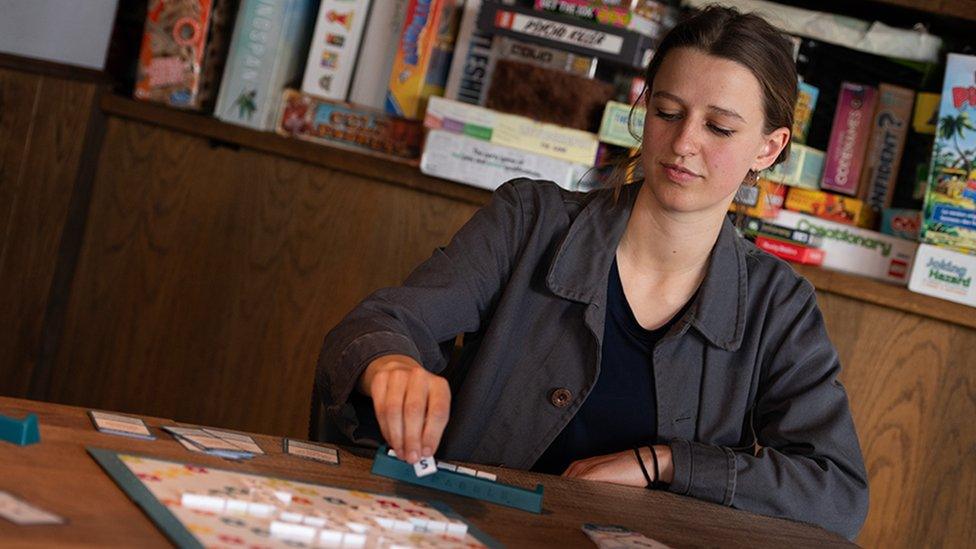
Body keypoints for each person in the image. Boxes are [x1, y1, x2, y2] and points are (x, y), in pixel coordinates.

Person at [316, 5, 869, 540]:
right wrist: (389, 362)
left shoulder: (779, 304)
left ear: (769, 148)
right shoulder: (528, 219)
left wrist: (666, 464)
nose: (682, 145)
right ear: (644, 107)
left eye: (720, 128)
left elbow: (836, 495)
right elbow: (381, 323)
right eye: (668, 113)